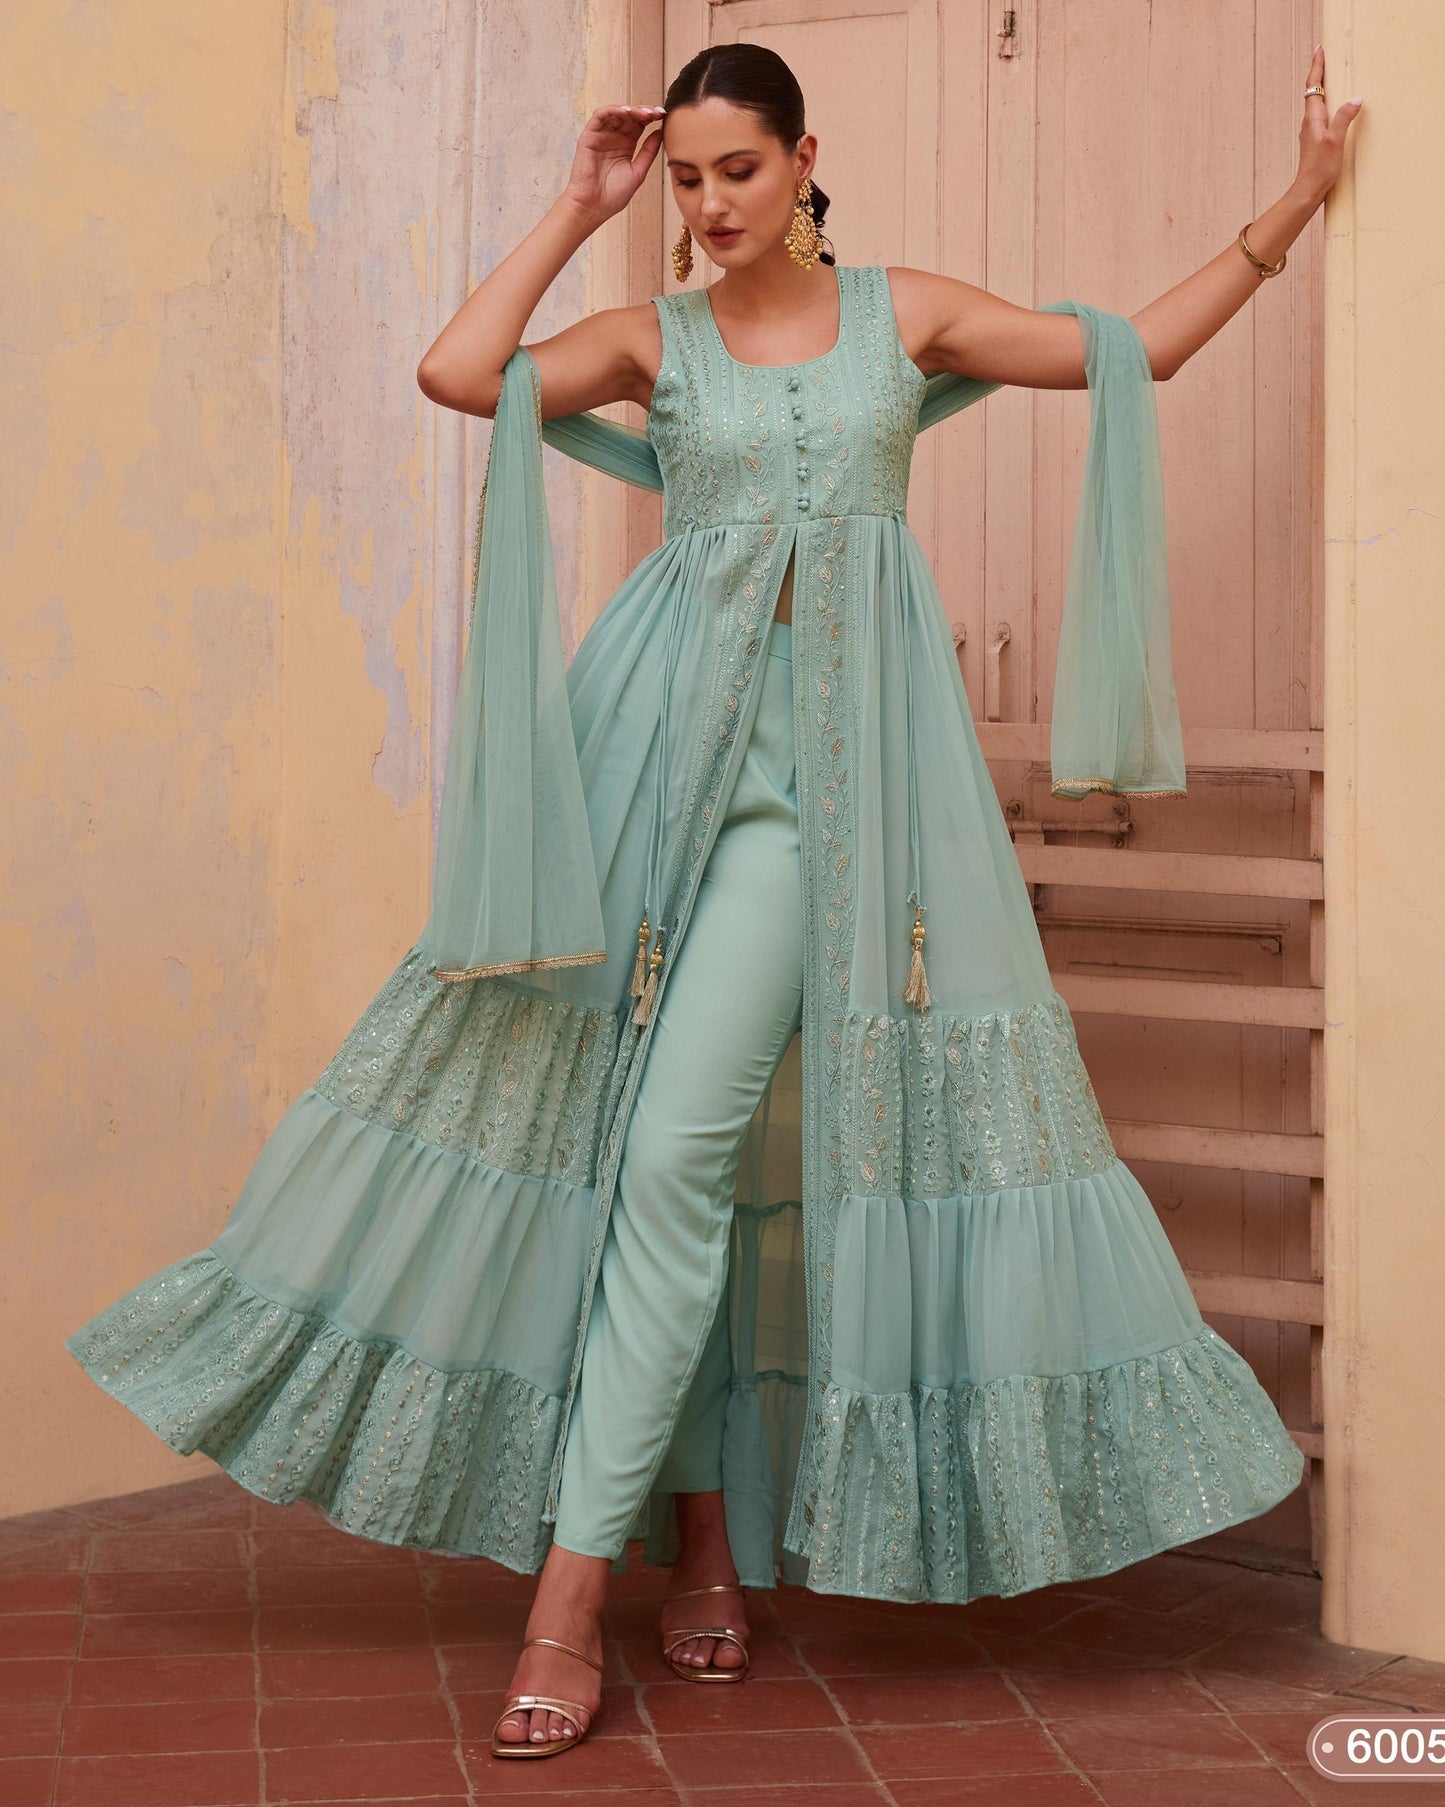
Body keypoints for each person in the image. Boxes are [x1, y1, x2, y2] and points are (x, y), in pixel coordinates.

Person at [64, 40, 1360, 1764]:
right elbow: (462, 372)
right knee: (661, 1155)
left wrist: (1287, 210)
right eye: (682, 177)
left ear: (803, 159)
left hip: (845, 810)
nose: (706, 205)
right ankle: (653, 1561)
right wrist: (576, 202)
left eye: (731, 171)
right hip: (653, 783)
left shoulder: (909, 318)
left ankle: (626, 1570)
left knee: (713, 1162)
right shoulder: (651, 340)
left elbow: (1135, 350)